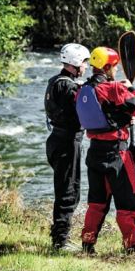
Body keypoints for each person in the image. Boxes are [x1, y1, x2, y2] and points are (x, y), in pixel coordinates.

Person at [77, 46, 135, 254]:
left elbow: (104, 113)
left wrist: (124, 117)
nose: (116, 70)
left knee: (96, 203)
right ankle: (131, 249)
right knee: (127, 203)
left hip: (94, 153)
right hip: (117, 155)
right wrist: (132, 88)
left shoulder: (83, 90)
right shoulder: (114, 88)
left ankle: (87, 245)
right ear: (107, 67)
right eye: (115, 66)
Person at [44, 43, 90, 251]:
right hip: (67, 143)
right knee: (68, 191)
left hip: (56, 139)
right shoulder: (68, 87)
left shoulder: (55, 81)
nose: (86, 66)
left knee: (66, 188)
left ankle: (59, 236)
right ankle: (60, 241)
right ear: (75, 62)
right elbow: (83, 109)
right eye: (84, 63)